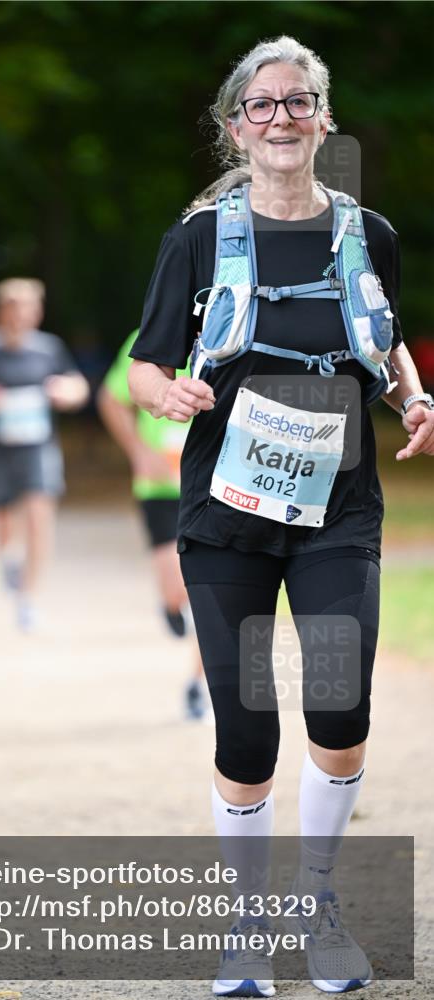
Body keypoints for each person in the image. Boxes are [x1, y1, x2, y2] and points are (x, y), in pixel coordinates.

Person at [128, 36, 434, 998]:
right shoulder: (198, 239)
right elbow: (145, 360)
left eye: (297, 102)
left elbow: (382, 342)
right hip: (226, 510)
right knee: (246, 726)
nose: (280, 118)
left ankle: (317, 902)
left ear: (322, 118)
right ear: (234, 128)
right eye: (260, 106)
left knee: (341, 712)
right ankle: (246, 924)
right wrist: (161, 397)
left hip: (339, 504)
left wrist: (414, 397)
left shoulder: (366, 233)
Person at [0, 278, 89, 632]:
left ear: (37, 312)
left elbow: (78, 387)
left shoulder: (49, 349)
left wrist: (65, 392)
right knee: (4, 522)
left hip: (39, 447)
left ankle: (28, 599)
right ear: (0, 312)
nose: (20, 316)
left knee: (40, 515)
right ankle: (10, 559)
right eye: (13, 309)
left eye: (28, 308)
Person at [98, 329, 208, 720]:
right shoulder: (147, 336)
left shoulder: (239, 326)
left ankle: (198, 685)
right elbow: (111, 398)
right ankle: (169, 604)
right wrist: (139, 452)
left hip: (213, 484)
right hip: (160, 486)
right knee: (177, 589)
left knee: (210, 593)